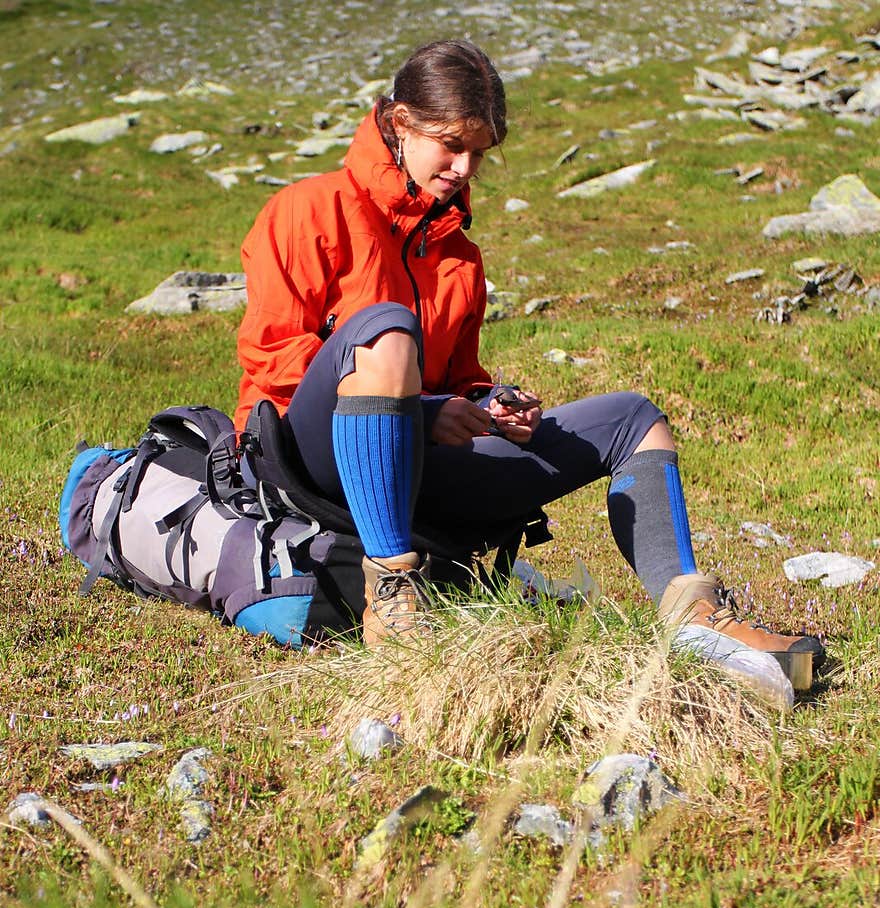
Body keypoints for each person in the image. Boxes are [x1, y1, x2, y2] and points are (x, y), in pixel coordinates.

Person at [234, 39, 823, 685]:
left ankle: (696, 620)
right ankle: (395, 598)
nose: (462, 167)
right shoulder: (308, 209)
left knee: (634, 418)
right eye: (449, 144)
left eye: (478, 153)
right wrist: (420, 409)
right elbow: (271, 354)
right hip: (303, 456)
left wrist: (490, 405)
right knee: (385, 327)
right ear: (401, 124)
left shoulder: (459, 254)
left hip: (416, 463)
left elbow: (457, 378)